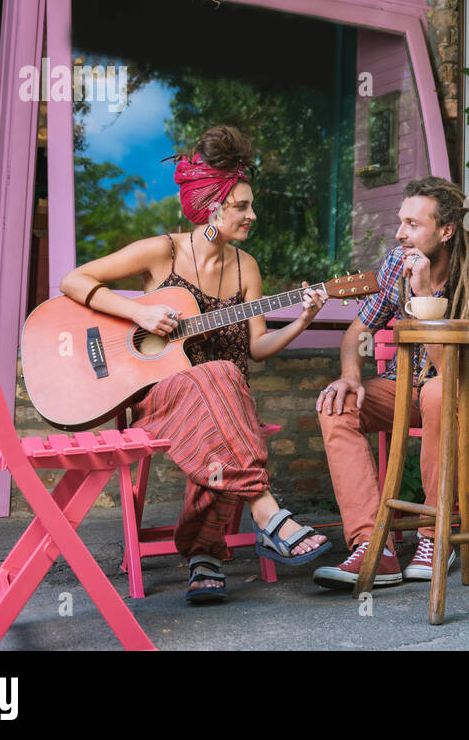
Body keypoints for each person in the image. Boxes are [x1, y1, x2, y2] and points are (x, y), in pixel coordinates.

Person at [58, 125, 331, 604]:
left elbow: (259, 346)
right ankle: (266, 513)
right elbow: (73, 280)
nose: (252, 215)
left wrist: (305, 317)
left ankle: (203, 555)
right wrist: (139, 312)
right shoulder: (162, 251)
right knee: (221, 381)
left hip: (224, 404)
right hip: (161, 397)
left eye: (251, 205)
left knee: (224, 384)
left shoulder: (246, 267)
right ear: (211, 208)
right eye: (240, 206)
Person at [314, 176, 469, 588]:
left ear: (446, 230)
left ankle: (435, 535)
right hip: (406, 385)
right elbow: (357, 332)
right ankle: (375, 547)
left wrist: (423, 299)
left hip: (467, 389)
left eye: (412, 224)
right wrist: (350, 378)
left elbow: (454, 374)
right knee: (336, 404)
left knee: (439, 392)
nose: (400, 233)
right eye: (400, 222)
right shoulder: (394, 265)